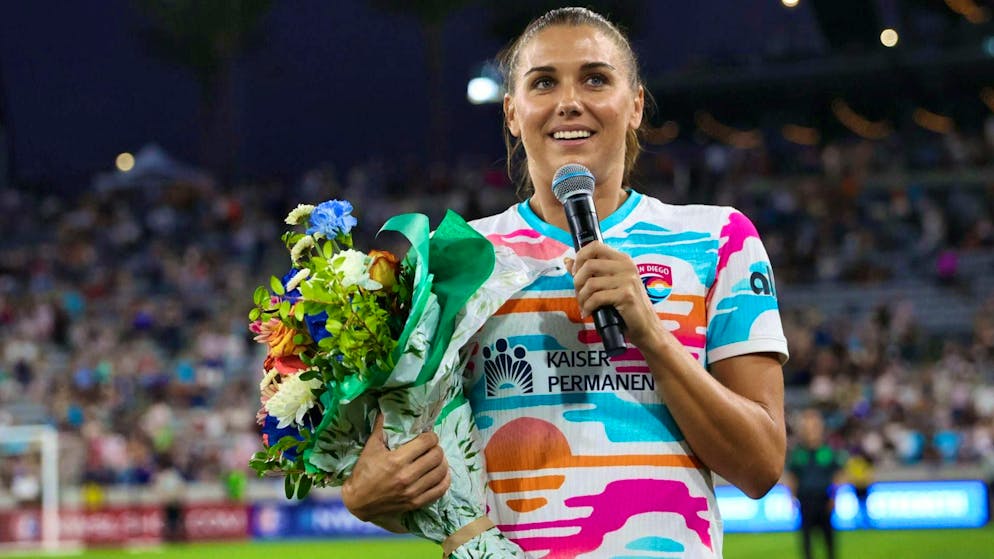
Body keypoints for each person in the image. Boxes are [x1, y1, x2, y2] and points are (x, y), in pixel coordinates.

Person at [342, 7, 788, 557]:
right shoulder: (455, 258)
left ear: (635, 104)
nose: (569, 101)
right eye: (543, 82)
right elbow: (404, 457)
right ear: (512, 112)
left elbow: (760, 466)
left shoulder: (718, 238)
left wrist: (651, 334)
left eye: (595, 79)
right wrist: (363, 492)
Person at [785, 409, 846, 559]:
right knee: (806, 542)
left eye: (813, 426)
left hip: (824, 500)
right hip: (806, 501)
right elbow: (792, 476)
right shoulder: (798, 453)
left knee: (829, 541)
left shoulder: (827, 451)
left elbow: (837, 475)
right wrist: (792, 498)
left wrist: (834, 497)